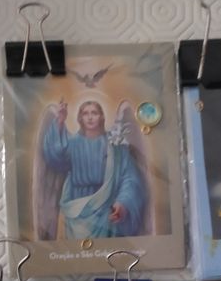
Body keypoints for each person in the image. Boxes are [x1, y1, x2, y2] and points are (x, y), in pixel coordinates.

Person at [40, 100, 146, 239]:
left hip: (106, 208)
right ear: (80, 118)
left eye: (94, 113)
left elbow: (129, 177)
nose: (90, 117)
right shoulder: (72, 144)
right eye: (85, 113)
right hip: (77, 210)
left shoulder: (115, 143)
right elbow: (54, 156)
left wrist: (123, 201)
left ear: (101, 117)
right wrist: (59, 121)